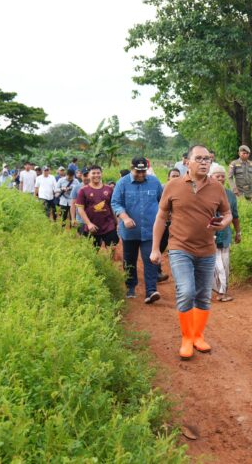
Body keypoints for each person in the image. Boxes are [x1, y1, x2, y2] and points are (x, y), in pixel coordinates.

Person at [150, 145, 232, 361]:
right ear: (187, 161)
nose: (204, 162)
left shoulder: (217, 187)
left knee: (204, 295)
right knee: (186, 291)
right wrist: (155, 248)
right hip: (180, 248)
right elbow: (161, 217)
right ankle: (186, 338)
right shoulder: (173, 186)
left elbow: (227, 213)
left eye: (208, 159)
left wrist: (223, 223)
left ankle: (198, 335)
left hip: (206, 249)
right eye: (199, 158)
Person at [112, 157, 163, 304]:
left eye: (143, 171)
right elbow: (115, 202)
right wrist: (125, 217)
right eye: (137, 171)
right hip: (130, 232)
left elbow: (162, 201)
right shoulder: (122, 183)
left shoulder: (154, 182)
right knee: (130, 260)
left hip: (150, 230)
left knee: (151, 259)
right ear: (131, 167)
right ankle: (130, 287)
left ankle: (151, 291)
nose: (141, 174)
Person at [209, 166, 241, 302]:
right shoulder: (204, 193)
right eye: (218, 176)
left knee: (224, 263)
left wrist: (238, 232)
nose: (221, 178)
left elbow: (235, 216)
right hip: (208, 235)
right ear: (211, 177)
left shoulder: (230, 195)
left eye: (222, 176)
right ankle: (220, 291)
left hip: (225, 234)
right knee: (216, 264)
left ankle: (221, 290)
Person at [75, 165, 119, 249]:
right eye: (93, 173)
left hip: (109, 226)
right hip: (92, 227)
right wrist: (88, 224)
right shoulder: (83, 190)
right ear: (88, 175)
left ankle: (109, 261)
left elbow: (112, 207)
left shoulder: (109, 189)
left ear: (101, 174)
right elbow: (80, 209)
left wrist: (116, 222)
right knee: (93, 251)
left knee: (112, 248)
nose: (96, 175)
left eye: (98, 173)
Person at [71, 168, 90, 236]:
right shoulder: (76, 188)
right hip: (81, 220)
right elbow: (73, 204)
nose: (87, 178)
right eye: (85, 176)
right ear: (81, 176)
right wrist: (73, 218)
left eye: (88, 175)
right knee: (82, 240)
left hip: (94, 220)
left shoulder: (96, 187)